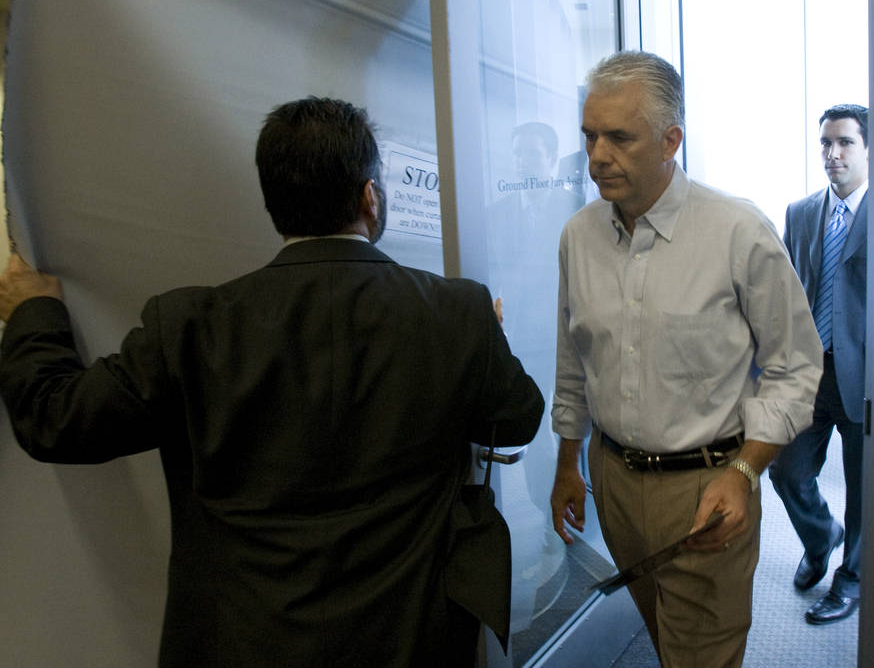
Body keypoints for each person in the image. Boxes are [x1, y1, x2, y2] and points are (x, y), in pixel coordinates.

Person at [0, 97, 544, 667]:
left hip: (243, 641)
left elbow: (55, 421)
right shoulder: (456, 313)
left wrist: (34, 312)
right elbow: (515, 421)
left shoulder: (189, 327)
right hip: (411, 639)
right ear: (370, 196)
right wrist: (484, 347)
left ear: (274, 204)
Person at [548, 51, 823, 667]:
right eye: (590, 136)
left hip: (708, 488)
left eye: (619, 137)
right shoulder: (578, 238)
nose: (596, 155)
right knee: (666, 641)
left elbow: (795, 366)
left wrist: (746, 472)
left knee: (700, 657)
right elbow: (574, 360)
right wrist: (569, 460)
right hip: (614, 481)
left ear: (671, 140)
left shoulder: (737, 231)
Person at [769, 103, 869, 625]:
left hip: (869, 379)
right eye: (826, 143)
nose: (832, 154)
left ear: (869, 148)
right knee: (783, 466)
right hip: (809, 371)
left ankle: (851, 578)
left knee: (863, 486)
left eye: (845, 142)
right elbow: (789, 293)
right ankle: (820, 536)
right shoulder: (801, 213)